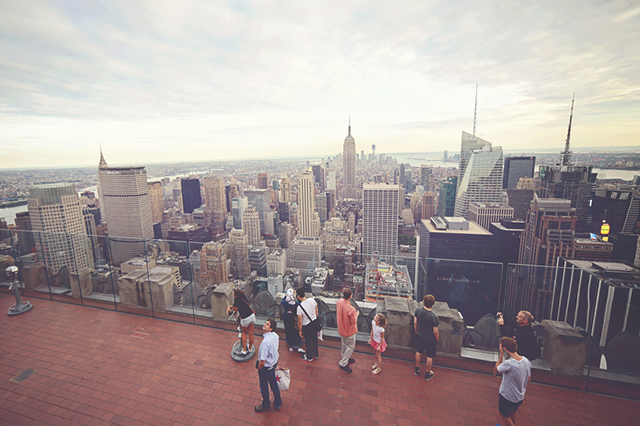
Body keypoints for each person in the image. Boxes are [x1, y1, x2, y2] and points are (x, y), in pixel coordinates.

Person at [492, 336, 532, 426]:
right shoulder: (526, 361)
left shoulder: (509, 364)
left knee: (503, 414)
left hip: (507, 396)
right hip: (519, 396)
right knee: (512, 412)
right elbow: (528, 378)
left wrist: (501, 354)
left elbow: (497, 368)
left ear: (505, 349)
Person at [254, 319, 282, 412]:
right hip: (273, 363)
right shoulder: (275, 336)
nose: (264, 325)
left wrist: (259, 368)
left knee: (264, 386)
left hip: (266, 367)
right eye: (265, 323)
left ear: (270, 329)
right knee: (273, 382)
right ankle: (278, 402)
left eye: (267, 324)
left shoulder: (265, 343)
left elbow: (262, 361)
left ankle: (266, 405)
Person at [414, 294, 439, 381]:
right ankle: (427, 373)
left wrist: (417, 331)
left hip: (420, 335)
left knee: (418, 351)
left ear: (424, 301)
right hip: (430, 338)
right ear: (433, 304)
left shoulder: (418, 310)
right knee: (429, 356)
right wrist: (437, 338)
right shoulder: (434, 317)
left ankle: (417, 369)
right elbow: (435, 331)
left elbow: (415, 323)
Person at [336, 288, 358, 373]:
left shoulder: (339, 302)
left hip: (341, 328)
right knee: (350, 346)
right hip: (349, 331)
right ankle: (343, 363)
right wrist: (356, 315)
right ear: (350, 296)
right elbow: (353, 322)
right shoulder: (351, 309)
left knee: (344, 345)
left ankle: (345, 358)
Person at [227, 289, 255, 355]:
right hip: (252, 316)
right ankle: (250, 348)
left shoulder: (236, 300)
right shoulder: (243, 296)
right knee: (251, 333)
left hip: (245, 318)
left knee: (244, 333)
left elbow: (235, 309)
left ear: (236, 295)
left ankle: (244, 350)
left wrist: (229, 308)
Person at [296, 288, 319, 361]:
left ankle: (309, 356)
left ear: (298, 296)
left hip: (306, 326)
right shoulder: (312, 300)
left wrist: (300, 330)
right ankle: (316, 354)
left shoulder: (299, 307)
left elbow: (300, 321)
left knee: (308, 341)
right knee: (314, 339)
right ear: (304, 294)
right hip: (314, 322)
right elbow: (317, 311)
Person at [281, 289, 304, 353]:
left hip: (287, 318)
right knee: (296, 331)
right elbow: (301, 303)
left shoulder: (285, 303)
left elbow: (282, 301)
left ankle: (290, 345)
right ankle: (297, 345)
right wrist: (297, 295)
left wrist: (286, 296)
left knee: (288, 331)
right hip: (294, 319)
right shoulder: (296, 304)